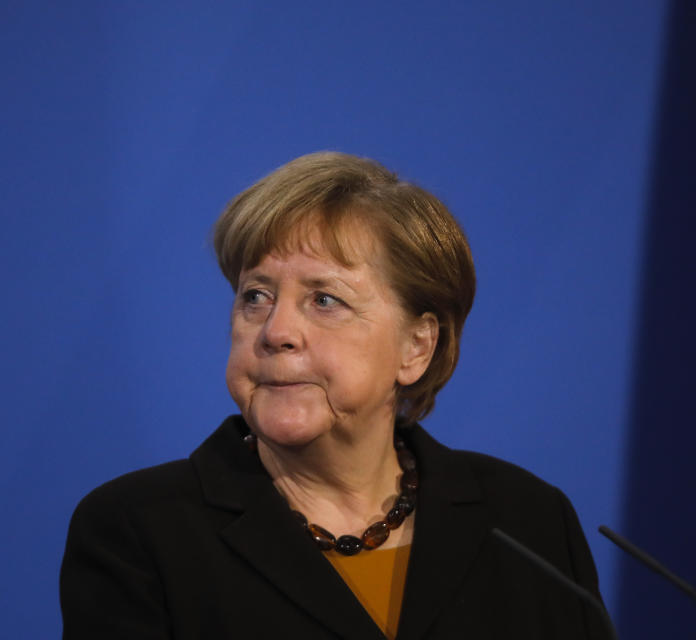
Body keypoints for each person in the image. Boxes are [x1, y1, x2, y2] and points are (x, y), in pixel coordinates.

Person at [60, 152, 607, 639]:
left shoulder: (528, 521)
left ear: (416, 347)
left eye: (324, 300)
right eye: (255, 296)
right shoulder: (140, 531)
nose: (276, 331)